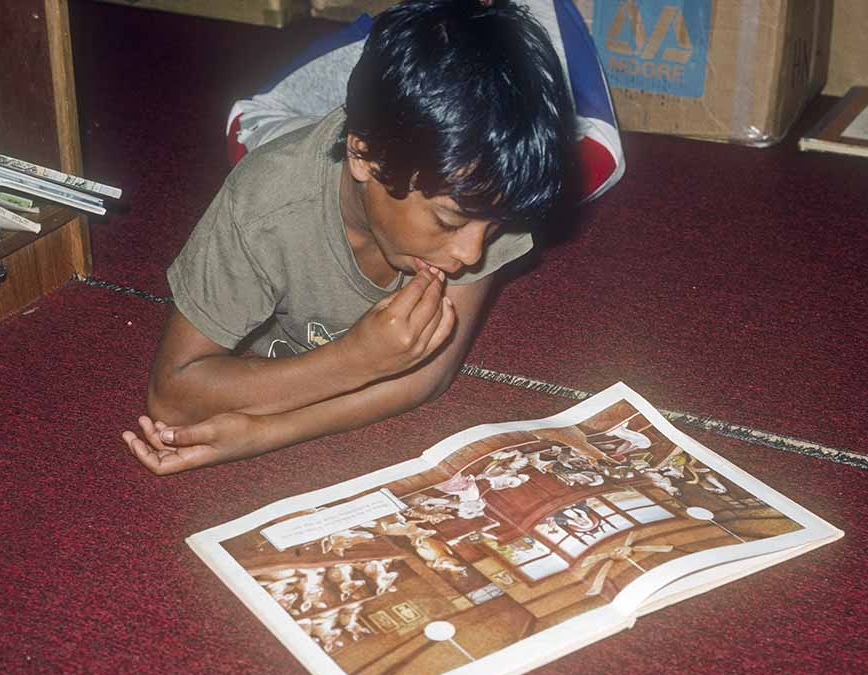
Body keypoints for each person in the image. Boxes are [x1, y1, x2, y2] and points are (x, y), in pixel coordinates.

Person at [122, 0, 576, 474]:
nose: (471, 254)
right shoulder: (265, 207)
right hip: (276, 124)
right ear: (364, 155)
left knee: (586, 153)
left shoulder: (487, 189)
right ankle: (363, 37)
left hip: (381, 125)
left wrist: (267, 431)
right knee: (252, 122)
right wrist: (356, 360)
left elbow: (429, 373)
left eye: (494, 228)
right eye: (448, 220)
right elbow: (173, 400)